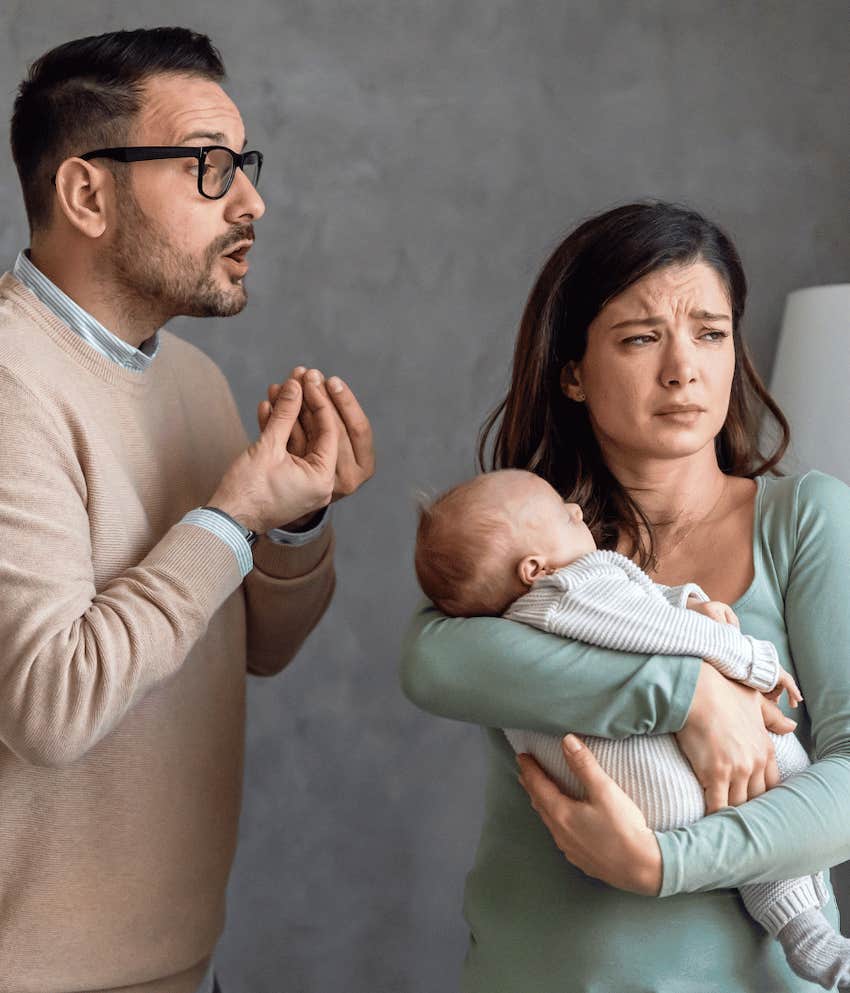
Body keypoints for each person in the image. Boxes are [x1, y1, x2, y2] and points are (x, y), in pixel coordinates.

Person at [0, 27, 374, 993]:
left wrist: (289, 519)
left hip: (185, 959)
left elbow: (254, 646)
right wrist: (227, 514)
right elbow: (52, 701)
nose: (252, 200)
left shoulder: (196, 381)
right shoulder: (9, 383)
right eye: (210, 166)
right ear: (87, 193)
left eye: (243, 165)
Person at [400, 201, 850, 992]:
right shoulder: (526, 550)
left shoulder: (804, 518)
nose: (684, 369)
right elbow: (431, 663)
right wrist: (688, 694)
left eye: (710, 332)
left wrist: (663, 864)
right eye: (641, 337)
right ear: (570, 371)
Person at [414, 467, 850, 989]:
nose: (575, 513)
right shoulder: (565, 588)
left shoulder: (517, 616)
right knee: (780, 766)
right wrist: (744, 662)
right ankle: (805, 927)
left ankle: (803, 931)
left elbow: (637, 606)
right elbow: (642, 623)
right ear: (533, 567)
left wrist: (690, 601)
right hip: (651, 791)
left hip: (635, 806)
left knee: (755, 787)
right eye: (559, 513)